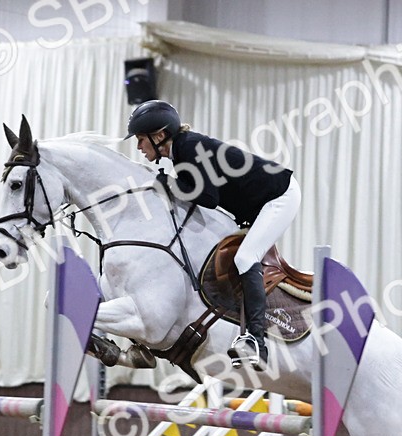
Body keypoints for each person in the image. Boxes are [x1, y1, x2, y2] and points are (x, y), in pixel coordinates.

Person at [125, 100, 300, 370]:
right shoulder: (181, 151)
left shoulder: (189, 147)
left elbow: (207, 197)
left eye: (140, 140)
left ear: (159, 136)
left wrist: (168, 183)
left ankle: (257, 341)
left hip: (279, 196)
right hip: (257, 204)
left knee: (245, 259)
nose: (138, 147)